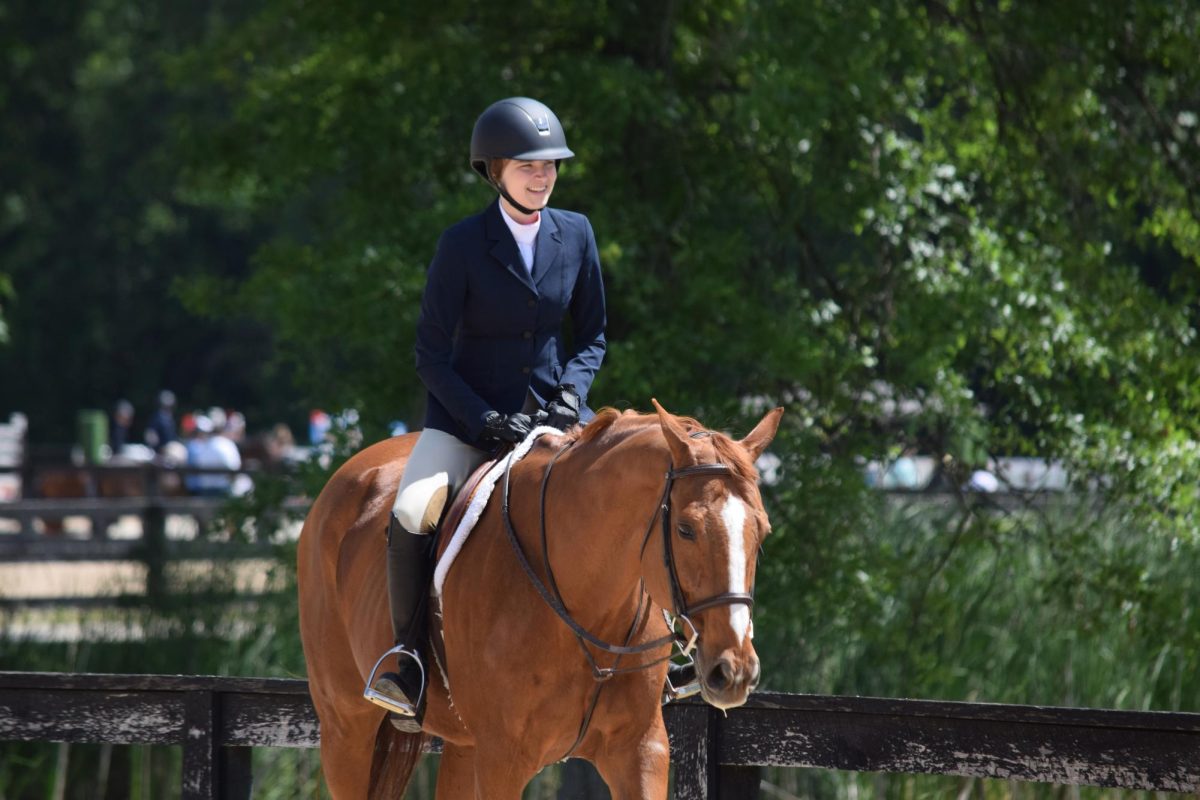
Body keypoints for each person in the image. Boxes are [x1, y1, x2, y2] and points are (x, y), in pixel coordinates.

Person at [364, 97, 607, 731]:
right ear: (493, 169)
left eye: (551, 164)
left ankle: (657, 656)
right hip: (466, 419)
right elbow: (430, 355)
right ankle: (407, 659)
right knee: (413, 508)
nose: (543, 175)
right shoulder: (463, 245)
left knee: (623, 497)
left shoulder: (576, 233)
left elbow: (593, 337)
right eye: (528, 165)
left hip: (553, 417)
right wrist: (484, 421)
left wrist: (570, 397)